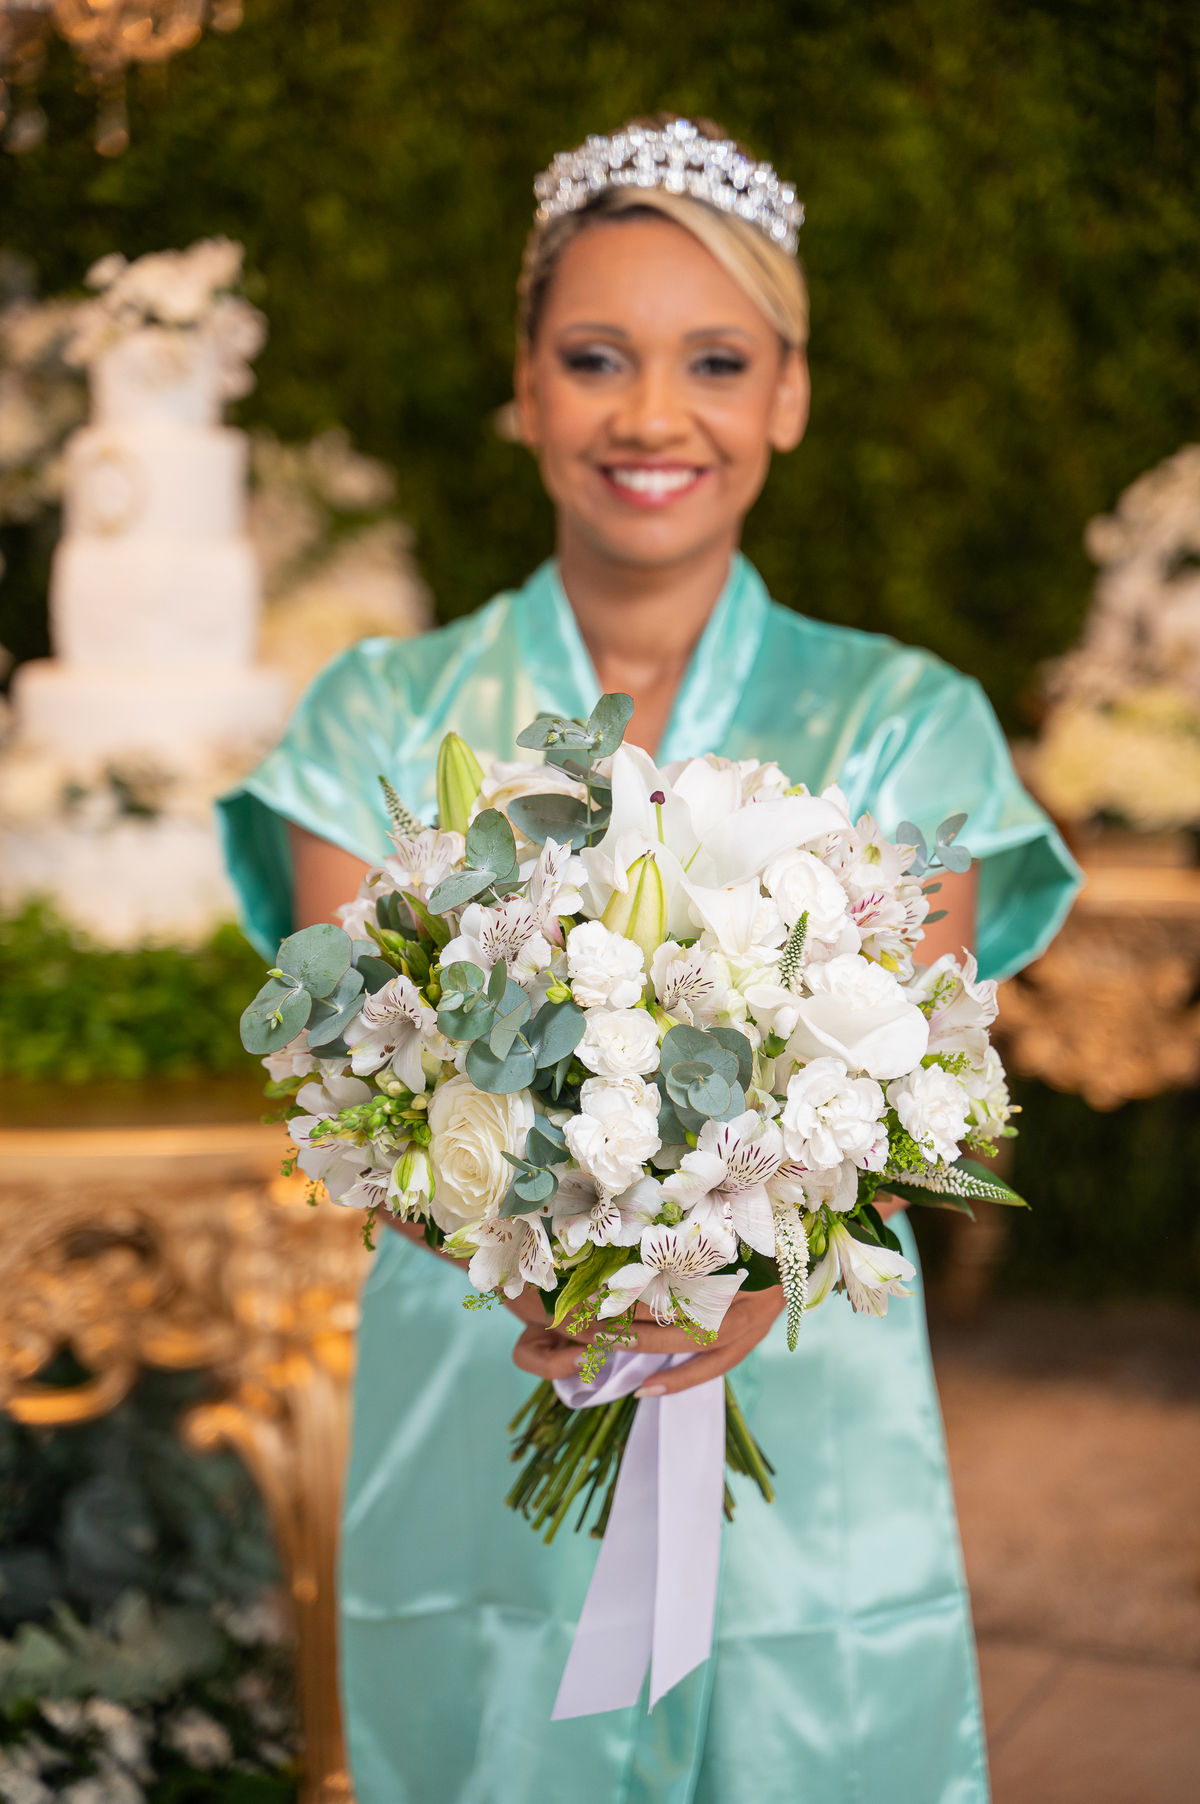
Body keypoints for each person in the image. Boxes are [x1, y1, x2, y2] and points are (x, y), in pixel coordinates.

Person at [219, 115, 1080, 1804]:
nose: (652, 416)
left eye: (717, 361)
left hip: (809, 1410)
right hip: (476, 1386)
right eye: (597, 357)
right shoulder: (373, 720)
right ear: (526, 387)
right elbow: (359, 1086)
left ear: (789, 396)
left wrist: (740, 1276)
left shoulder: (910, 721)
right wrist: (549, 1276)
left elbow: (915, 1098)